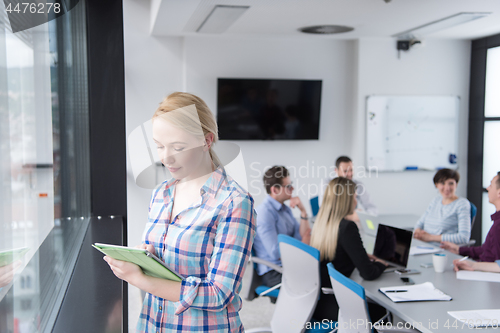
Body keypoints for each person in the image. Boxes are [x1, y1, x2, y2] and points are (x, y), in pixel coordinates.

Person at [103, 92, 256, 332]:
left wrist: (141, 279)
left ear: (207, 140)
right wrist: (146, 257)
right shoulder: (161, 194)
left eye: (178, 146)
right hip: (154, 324)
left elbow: (219, 294)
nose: (166, 157)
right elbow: (165, 256)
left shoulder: (234, 203)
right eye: (159, 146)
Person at [310, 177, 388, 322]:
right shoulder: (347, 227)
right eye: (354, 196)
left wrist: (362, 255)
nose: (356, 201)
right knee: (382, 310)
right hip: (337, 304)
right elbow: (368, 273)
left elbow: (338, 251)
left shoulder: (321, 222)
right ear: (345, 199)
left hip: (317, 302)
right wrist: (381, 263)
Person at [252, 166, 311, 289]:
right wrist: (302, 245)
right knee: (313, 283)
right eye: (288, 186)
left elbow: (301, 235)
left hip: (290, 263)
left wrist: (303, 213)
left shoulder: (285, 208)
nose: (293, 189)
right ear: (275, 190)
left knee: (322, 269)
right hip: (274, 271)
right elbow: (275, 253)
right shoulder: (264, 213)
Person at [441, 172, 500, 262]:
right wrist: (459, 249)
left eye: (491, 185)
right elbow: (485, 249)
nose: (487, 188)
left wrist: (473, 265)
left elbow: (498, 265)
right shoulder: (496, 221)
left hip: (484, 271)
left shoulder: (498, 226)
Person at [414, 169, 471, 244]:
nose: (447, 188)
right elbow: (419, 224)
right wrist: (418, 232)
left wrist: (430, 237)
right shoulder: (435, 201)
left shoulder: (462, 204)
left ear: (456, 185)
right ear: (436, 185)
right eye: (442, 183)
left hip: (442, 249)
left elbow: (464, 237)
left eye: (451, 183)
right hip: (423, 245)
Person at [334, 156, 377, 223]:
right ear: (336, 171)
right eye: (345, 171)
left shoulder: (358, 185)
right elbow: (326, 209)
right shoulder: (329, 185)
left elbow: (372, 209)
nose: (349, 174)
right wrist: (348, 216)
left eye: (351, 170)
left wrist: (362, 216)